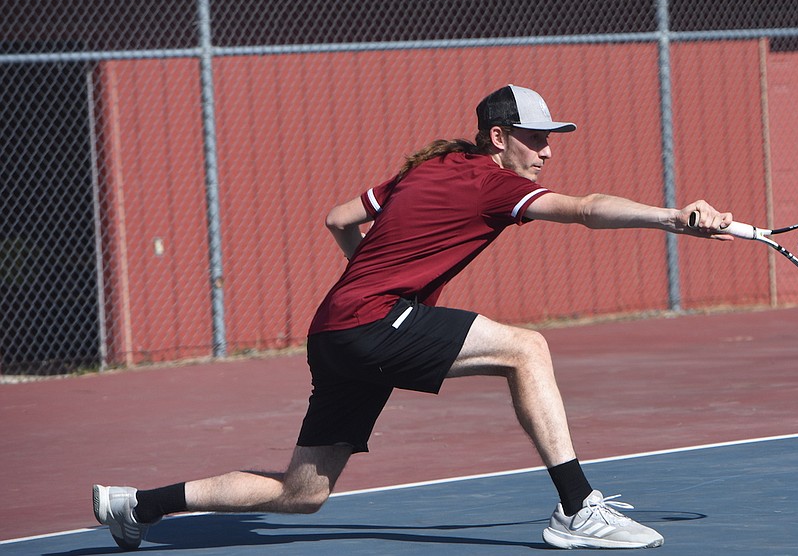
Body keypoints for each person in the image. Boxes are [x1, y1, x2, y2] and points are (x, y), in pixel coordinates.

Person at [93, 84, 732, 550]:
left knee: (302, 493)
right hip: (368, 324)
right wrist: (675, 218)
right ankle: (577, 508)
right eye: (536, 139)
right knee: (527, 349)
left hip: (334, 331)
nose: (546, 152)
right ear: (498, 138)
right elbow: (587, 209)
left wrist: (376, 283)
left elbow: (339, 219)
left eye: (551, 140)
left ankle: (136, 506)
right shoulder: (494, 182)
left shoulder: (425, 168)